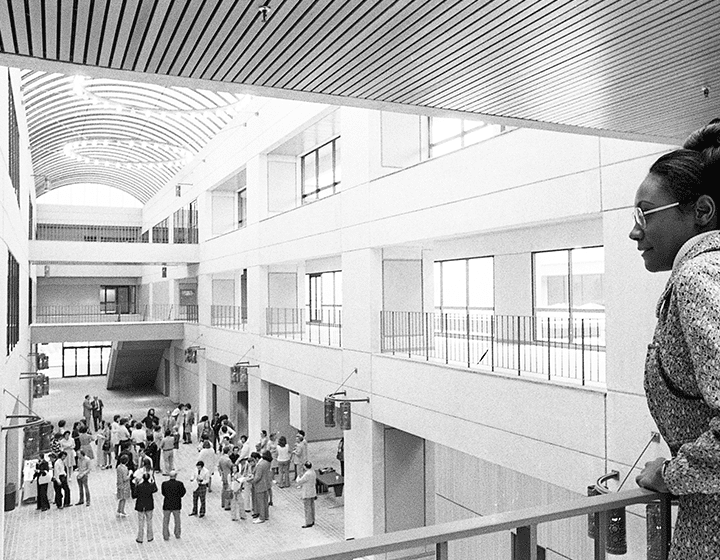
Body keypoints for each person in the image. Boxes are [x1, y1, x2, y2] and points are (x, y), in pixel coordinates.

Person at [631, 128, 720, 559]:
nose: (634, 231)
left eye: (645, 214)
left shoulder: (698, 278)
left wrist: (672, 474)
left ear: (701, 211)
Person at [161, 470, 186, 540]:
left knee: (165, 521)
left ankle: (165, 535)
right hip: (176, 504)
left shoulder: (164, 484)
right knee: (177, 520)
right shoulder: (180, 484)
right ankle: (177, 534)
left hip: (167, 504)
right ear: (175, 476)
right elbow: (183, 493)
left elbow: (163, 493)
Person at [134, 472, 157, 543]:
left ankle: (140, 538)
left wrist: (136, 484)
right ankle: (150, 537)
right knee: (149, 521)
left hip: (140, 505)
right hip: (149, 505)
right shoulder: (150, 486)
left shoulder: (139, 486)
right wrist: (154, 481)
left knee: (141, 522)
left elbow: (134, 495)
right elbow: (155, 490)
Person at [252, 450, 273, 524]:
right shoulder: (267, 463)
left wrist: (252, 481)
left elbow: (258, 477)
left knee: (260, 501)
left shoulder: (260, 465)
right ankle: (266, 515)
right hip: (266, 484)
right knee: (265, 500)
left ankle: (261, 517)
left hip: (260, 485)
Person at [296, 461, 317, 528]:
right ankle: (312, 519)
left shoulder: (307, 474)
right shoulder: (313, 472)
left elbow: (300, 481)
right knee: (312, 506)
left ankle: (308, 522)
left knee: (307, 507)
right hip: (312, 491)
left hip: (307, 492)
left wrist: (299, 476)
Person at [217, 446, 233, 511]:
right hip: (228, 475)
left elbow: (219, 467)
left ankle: (223, 503)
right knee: (228, 490)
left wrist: (221, 472)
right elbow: (232, 467)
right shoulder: (228, 460)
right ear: (228, 452)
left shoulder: (221, 458)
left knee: (224, 489)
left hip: (223, 475)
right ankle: (227, 505)